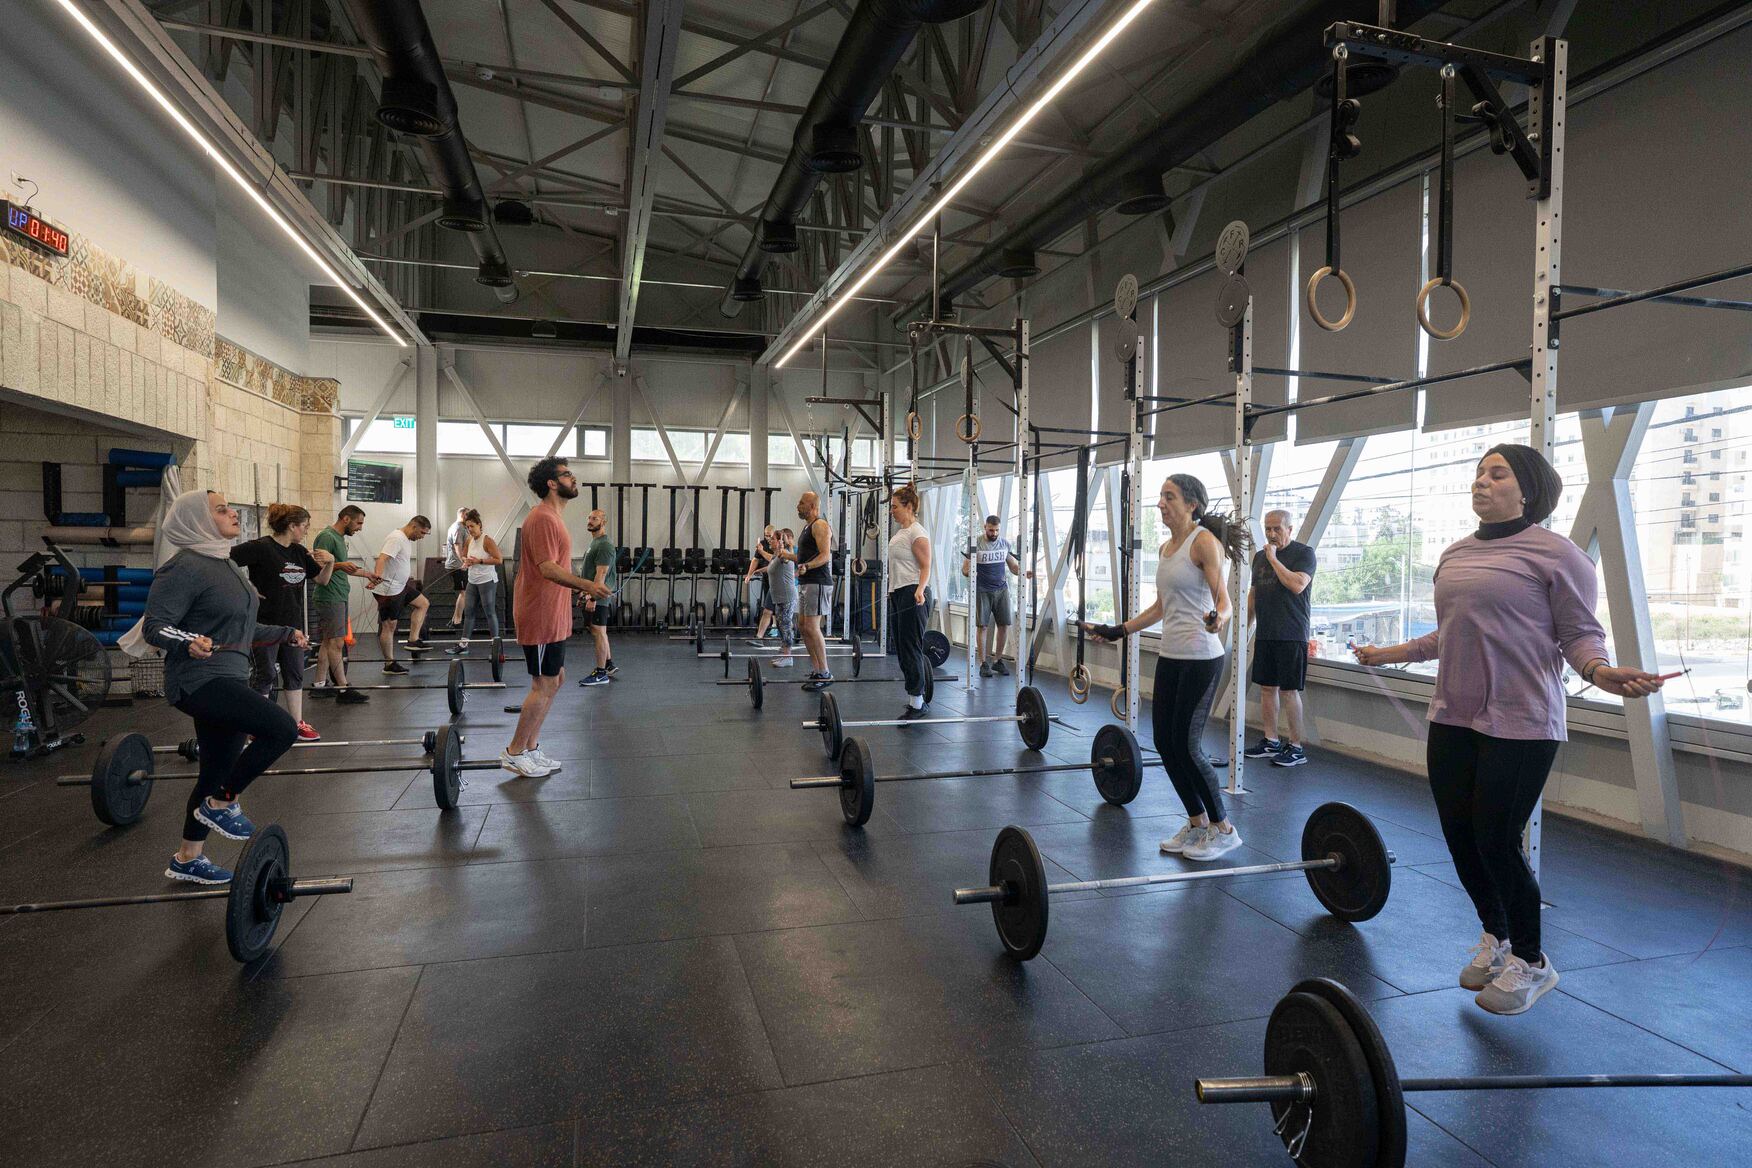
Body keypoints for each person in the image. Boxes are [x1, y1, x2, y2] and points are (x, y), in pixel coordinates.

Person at [1352, 444, 1666, 1015]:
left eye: (1497, 474)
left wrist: (1600, 672)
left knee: (1496, 839)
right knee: (1459, 835)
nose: (1482, 481)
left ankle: (1532, 960)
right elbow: (1448, 633)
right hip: (1453, 715)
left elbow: (1579, 635)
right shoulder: (1454, 555)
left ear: (1528, 490)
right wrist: (1386, 654)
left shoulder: (1561, 556)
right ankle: (1495, 936)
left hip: (1522, 720)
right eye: (1479, 473)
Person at [142, 490, 304, 885]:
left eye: (230, 507)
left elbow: (242, 628)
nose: (233, 513)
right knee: (282, 728)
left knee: (216, 770)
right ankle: (222, 803)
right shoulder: (184, 566)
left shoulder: (225, 563)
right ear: (197, 520)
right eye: (221, 509)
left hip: (229, 677)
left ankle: (187, 857)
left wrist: (285, 633)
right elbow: (155, 625)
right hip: (198, 679)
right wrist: (187, 641)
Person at [1088, 474, 1249, 863]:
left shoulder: (1203, 543)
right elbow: (1161, 607)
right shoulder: (1166, 548)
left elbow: (1224, 601)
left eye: (1169, 496)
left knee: (1188, 746)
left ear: (1191, 504)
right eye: (1161, 496)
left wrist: (1218, 619)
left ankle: (1224, 829)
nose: (1161, 503)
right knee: (1164, 741)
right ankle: (1196, 822)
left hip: (1201, 657)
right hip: (1171, 655)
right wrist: (1119, 630)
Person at [505, 457, 611, 777]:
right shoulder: (542, 518)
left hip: (553, 613)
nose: (573, 478)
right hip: (539, 613)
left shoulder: (554, 518)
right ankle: (514, 752)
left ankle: (531, 748)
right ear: (552, 483)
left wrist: (578, 589)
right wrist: (588, 585)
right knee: (544, 683)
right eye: (566, 474)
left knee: (557, 679)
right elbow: (547, 569)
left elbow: (556, 567)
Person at [229, 503, 336, 740]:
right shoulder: (261, 547)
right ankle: (257, 725)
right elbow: (225, 560)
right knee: (265, 674)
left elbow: (322, 580)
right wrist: (247, 586)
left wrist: (330, 562)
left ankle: (297, 723)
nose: (306, 531)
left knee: (294, 673)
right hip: (265, 625)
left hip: (293, 625)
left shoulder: (299, 552)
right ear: (292, 526)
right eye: (305, 526)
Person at [1244, 509, 1317, 768]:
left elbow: (1298, 585)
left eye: (1277, 528)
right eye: (1268, 529)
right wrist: (1244, 629)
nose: (1271, 534)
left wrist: (1274, 560)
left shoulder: (1304, 554)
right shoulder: (1259, 557)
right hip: (1266, 632)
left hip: (1292, 634)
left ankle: (1296, 747)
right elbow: (1254, 594)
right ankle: (1271, 740)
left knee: (1289, 691)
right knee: (1267, 688)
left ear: (1289, 529)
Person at [310, 505, 381, 704]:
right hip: (329, 596)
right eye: (359, 523)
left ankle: (319, 685)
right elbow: (318, 567)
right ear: (346, 519)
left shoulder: (340, 538)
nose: (360, 528)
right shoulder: (327, 536)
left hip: (339, 595)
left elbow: (342, 567)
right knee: (336, 643)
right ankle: (343, 688)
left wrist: (368, 574)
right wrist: (340, 564)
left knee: (328, 642)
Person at [773, 490, 834, 691]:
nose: (797, 506)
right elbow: (803, 558)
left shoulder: (820, 525)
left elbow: (825, 555)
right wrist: (786, 555)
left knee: (812, 627)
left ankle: (824, 672)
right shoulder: (807, 527)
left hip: (818, 582)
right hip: (807, 582)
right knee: (802, 626)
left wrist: (808, 566)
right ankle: (817, 669)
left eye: (801, 503)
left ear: (812, 506)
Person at [961, 514, 1029, 678]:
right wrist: (969, 571)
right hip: (982, 590)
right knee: (982, 626)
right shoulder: (976, 544)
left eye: (997, 530)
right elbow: (965, 569)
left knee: (1004, 625)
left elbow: (1013, 567)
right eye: (991, 530)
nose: (994, 533)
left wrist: (1024, 573)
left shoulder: (1004, 544)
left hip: (1001, 589)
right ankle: (983, 663)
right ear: (985, 527)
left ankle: (998, 661)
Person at [887, 484, 933, 718]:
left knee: (910, 648)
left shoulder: (917, 532)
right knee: (902, 648)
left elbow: (926, 566)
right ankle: (915, 698)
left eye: (895, 507)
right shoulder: (901, 533)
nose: (891, 511)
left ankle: (917, 703)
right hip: (899, 593)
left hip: (913, 593)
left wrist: (920, 589)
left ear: (909, 507)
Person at [370, 514, 432, 674]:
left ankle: (413, 640)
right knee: (389, 626)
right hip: (388, 590)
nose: (422, 537)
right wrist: (377, 576)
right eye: (422, 533)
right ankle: (389, 664)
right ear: (414, 526)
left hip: (401, 587)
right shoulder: (396, 538)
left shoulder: (405, 539)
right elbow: (381, 559)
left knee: (423, 604)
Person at [453, 509, 503, 656]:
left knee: (489, 612)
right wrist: (466, 561)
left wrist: (479, 561)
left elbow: (499, 560)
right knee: (468, 612)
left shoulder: (487, 540)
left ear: (479, 525)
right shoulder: (469, 540)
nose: (470, 529)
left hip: (487, 580)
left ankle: (496, 646)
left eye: (472, 526)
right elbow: (464, 555)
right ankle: (463, 645)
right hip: (472, 580)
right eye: (467, 527)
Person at [578, 507, 617, 686]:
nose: (590, 521)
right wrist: (583, 593)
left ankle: (601, 674)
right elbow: (590, 572)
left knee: (599, 632)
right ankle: (608, 664)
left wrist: (593, 598)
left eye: (595, 518)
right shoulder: (595, 543)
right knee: (597, 630)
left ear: (604, 522)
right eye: (589, 517)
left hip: (598, 596)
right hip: (592, 594)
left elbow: (601, 574)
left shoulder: (604, 545)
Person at [763, 527, 798, 668]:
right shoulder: (776, 555)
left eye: (772, 539)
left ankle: (788, 657)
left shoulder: (784, 555)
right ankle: (784, 653)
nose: (770, 541)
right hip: (779, 597)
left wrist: (783, 548)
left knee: (785, 626)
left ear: (779, 542)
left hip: (787, 596)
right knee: (780, 625)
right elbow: (770, 567)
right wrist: (755, 571)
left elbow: (786, 560)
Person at [745, 524, 777, 646]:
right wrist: (750, 574)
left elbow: (774, 560)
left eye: (770, 536)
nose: (768, 538)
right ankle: (759, 636)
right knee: (767, 609)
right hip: (768, 578)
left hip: (779, 582)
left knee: (777, 608)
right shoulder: (763, 545)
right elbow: (756, 560)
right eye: (766, 536)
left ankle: (776, 627)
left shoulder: (778, 546)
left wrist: (762, 552)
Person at [442, 506, 471, 630]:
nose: (469, 518)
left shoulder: (463, 527)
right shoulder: (458, 527)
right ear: (463, 514)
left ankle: (454, 620)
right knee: (464, 592)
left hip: (459, 564)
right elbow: (457, 546)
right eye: (468, 515)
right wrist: (463, 561)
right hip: (457, 566)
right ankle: (457, 621)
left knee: (464, 592)